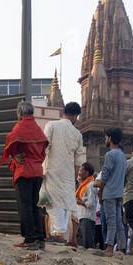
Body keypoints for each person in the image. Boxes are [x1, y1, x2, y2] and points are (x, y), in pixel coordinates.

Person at [2, 100, 49, 250]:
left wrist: (15, 156)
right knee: (36, 205)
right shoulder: (37, 128)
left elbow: (9, 139)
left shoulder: (20, 127)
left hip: (24, 171)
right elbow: (43, 150)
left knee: (25, 206)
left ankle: (29, 239)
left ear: (20, 113)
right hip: (37, 171)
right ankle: (40, 239)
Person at [43, 101, 86, 245]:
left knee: (54, 203)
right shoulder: (77, 134)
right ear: (75, 116)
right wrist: (74, 179)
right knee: (68, 204)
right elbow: (79, 161)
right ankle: (69, 237)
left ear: (64, 112)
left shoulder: (51, 126)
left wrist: (42, 169)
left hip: (51, 171)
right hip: (68, 174)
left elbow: (44, 149)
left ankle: (59, 234)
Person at [98, 128, 126, 254]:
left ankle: (109, 247)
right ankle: (121, 247)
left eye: (106, 137)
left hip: (109, 193)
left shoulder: (110, 154)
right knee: (119, 221)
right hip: (119, 193)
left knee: (111, 221)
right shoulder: (123, 156)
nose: (105, 140)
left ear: (110, 138)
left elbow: (104, 177)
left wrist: (99, 191)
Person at [74, 162, 99, 251]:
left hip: (87, 217)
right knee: (84, 243)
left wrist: (79, 202)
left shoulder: (91, 185)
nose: (79, 173)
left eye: (81, 170)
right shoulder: (83, 184)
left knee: (88, 245)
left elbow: (91, 203)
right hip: (82, 216)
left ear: (87, 172)